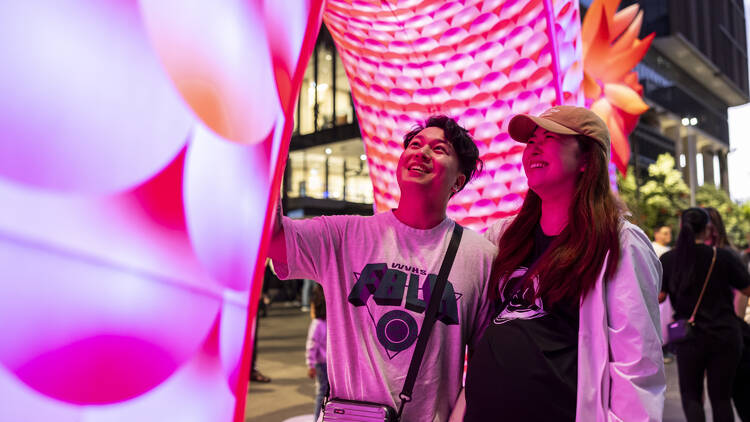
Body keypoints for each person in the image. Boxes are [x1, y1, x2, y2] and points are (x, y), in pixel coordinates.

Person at [268, 115, 497, 422]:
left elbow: (487, 363)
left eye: (439, 149)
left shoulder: (480, 257)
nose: (422, 152)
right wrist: (273, 152)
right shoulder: (344, 235)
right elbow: (271, 239)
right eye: (415, 144)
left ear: (458, 180)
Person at [459, 105, 665, 421]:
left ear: (586, 159)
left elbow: (637, 366)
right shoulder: (503, 236)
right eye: (530, 141)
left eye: (551, 137)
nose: (534, 147)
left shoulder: (619, 241)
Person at [659, 207, 750, 422]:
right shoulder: (723, 257)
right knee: (721, 398)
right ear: (708, 229)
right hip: (724, 335)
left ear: (682, 228)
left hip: (688, 337)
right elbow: (747, 289)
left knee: (691, 396)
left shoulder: (670, 259)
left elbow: (659, 297)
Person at [306, 283, 328, 422]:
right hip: (327, 363)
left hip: (321, 363)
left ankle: (316, 418)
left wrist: (311, 365)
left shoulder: (317, 324)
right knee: (324, 392)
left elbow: (311, 346)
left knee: (321, 393)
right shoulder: (330, 322)